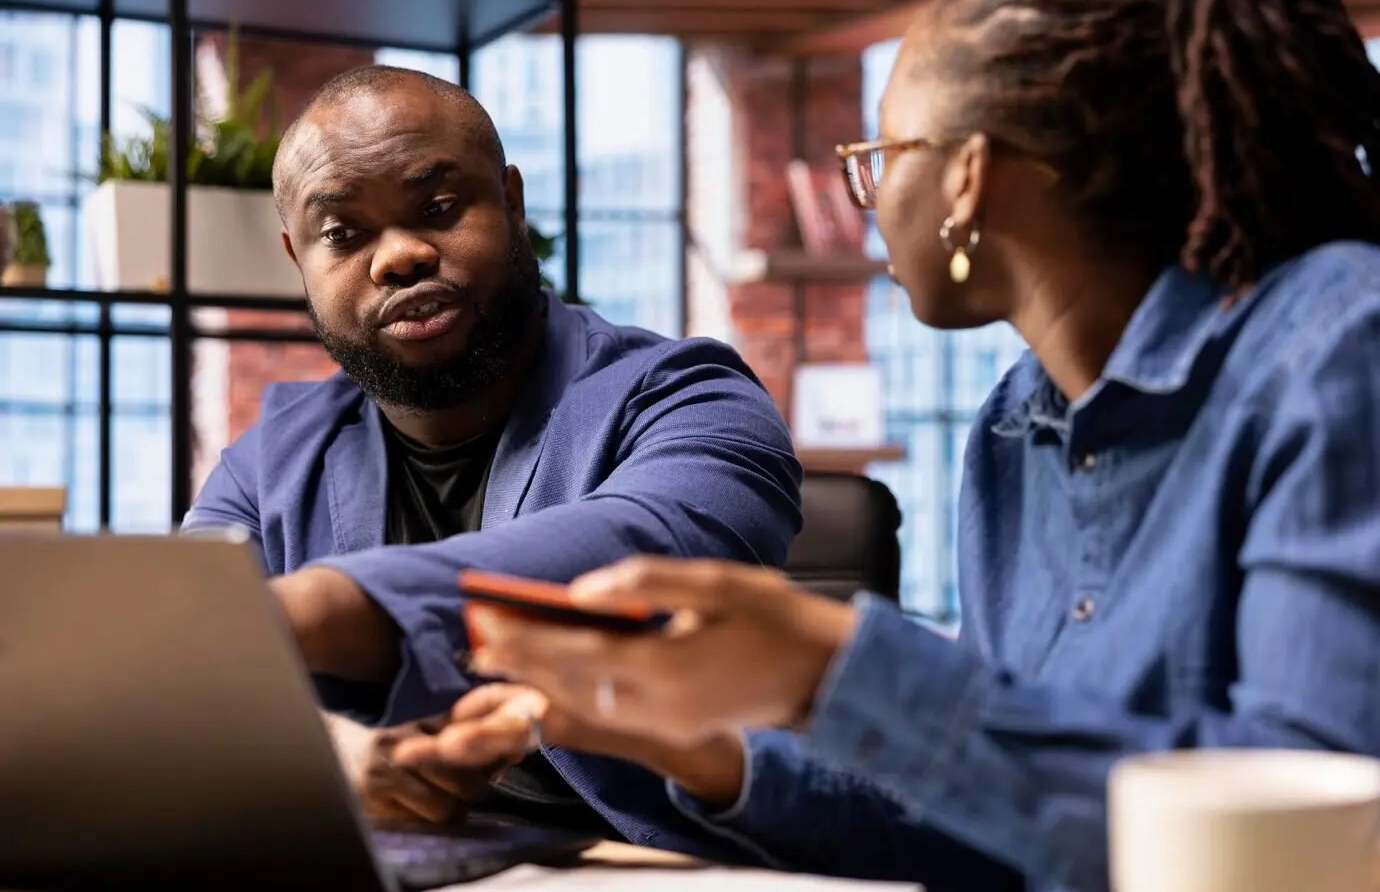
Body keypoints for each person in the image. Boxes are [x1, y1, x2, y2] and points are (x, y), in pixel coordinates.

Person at [391, 0, 1380, 890]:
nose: (868, 204)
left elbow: (1315, 835)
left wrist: (831, 669)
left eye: (879, 157)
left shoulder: (1339, 341)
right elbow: (984, 814)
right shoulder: (1012, 429)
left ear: (965, 180)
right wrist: (701, 743)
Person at [183, 65, 1020, 884]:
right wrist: (336, 752)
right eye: (345, 234)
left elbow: (635, 560)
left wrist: (305, 610)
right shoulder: (270, 459)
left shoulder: (692, 398)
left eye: (439, 208)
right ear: (298, 259)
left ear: (510, 202)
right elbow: (178, 684)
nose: (398, 255)